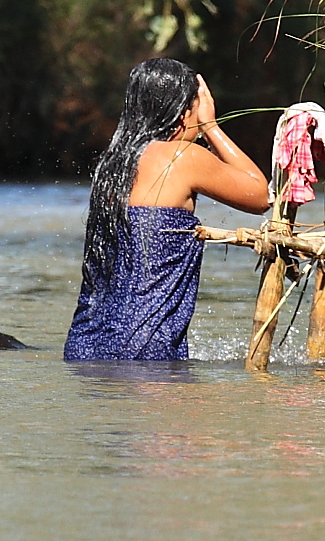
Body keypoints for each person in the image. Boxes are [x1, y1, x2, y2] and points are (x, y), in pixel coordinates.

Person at [63, 58, 270, 361]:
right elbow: (260, 195)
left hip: (84, 346)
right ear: (184, 111)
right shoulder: (182, 156)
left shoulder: (112, 165)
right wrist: (210, 127)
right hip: (147, 352)